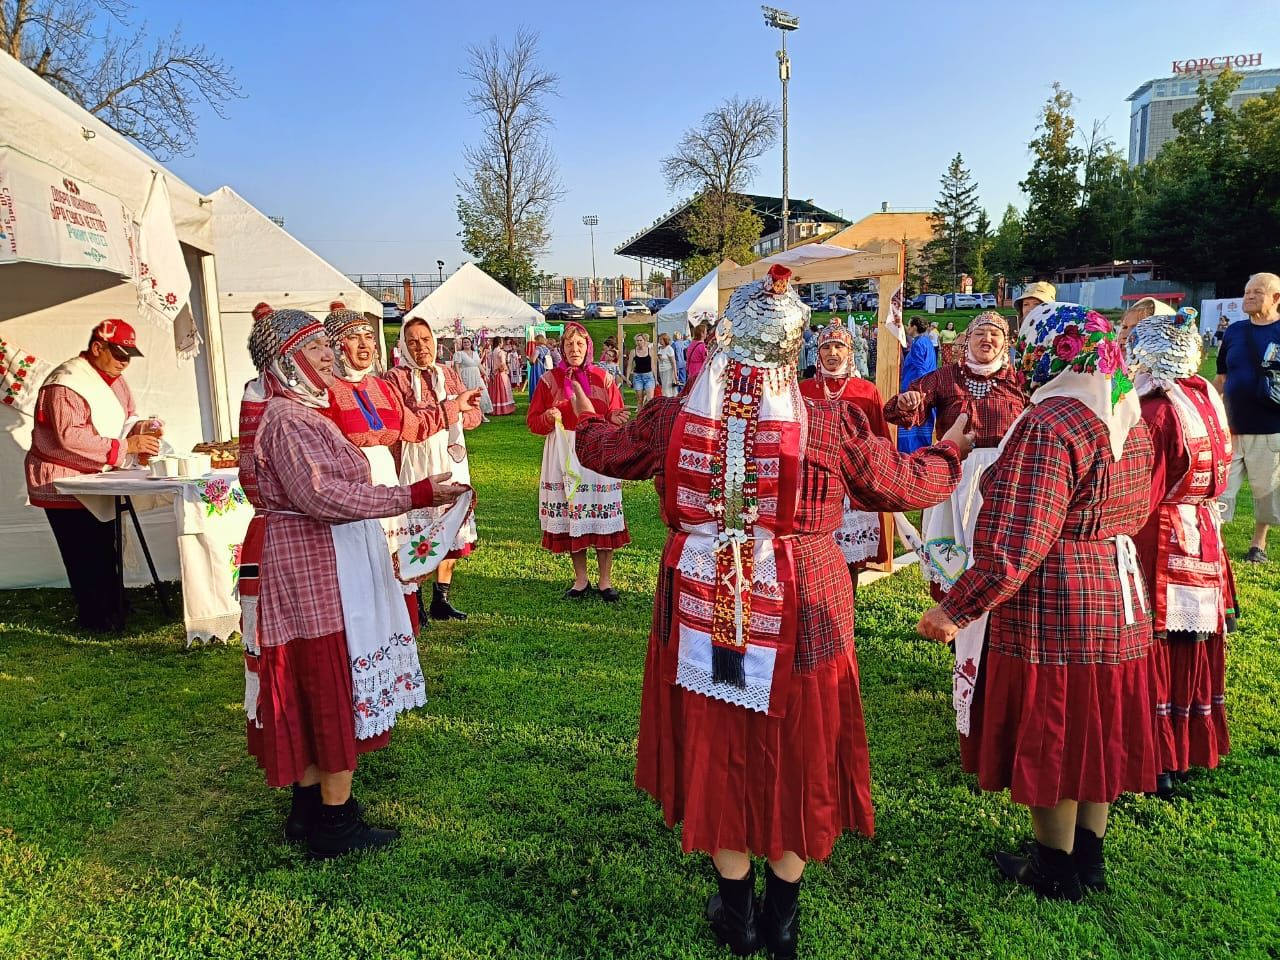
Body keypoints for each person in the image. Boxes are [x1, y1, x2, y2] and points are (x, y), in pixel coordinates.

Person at [572, 265, 969, 958]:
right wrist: (951, 451)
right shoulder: (828, 424)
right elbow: (901, 483)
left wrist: (589, 414)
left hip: (700, 601)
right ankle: (779, 918)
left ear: (726, 341)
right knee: (799, 748)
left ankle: (739, 913)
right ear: (797, 350)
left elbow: (606, 449)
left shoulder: (674, 415)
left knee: (717, 738)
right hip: (805, 601)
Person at [918, 302, 1158, 902]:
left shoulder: (1051, 422)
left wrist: (957, 608)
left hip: (1057, 596)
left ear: (1048, 352)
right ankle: (1088, 856)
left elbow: (1019, 539)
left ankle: (1055, 865)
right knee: (1094, 725)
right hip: (1116, 588)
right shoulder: (1126, 412)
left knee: (1055, 729)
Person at [246, 308, 465, 859]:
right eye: (314, 348)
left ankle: (310, 808)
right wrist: (411, 497)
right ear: (287, 362)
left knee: (312, 679)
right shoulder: (289, 419)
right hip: (314, 563)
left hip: (318, 559)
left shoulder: (298, 413)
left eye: (328, 345)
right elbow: (322, 495)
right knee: (326, 679)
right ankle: (334, 821)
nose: (328, 355)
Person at [1129, 307, 1235, 798]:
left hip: (1158, 533)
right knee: (1188, 646)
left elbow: (1140, 489)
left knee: (1156, 644)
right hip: (1202, 528)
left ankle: (1156, 756)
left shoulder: (1154, 410)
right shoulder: (1205, 396)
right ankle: (1186, 747)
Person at [25, 319, 162, 633]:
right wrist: (126, 446)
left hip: (98, 477)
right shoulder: (66, 383)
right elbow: (68, 437)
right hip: (63, 481)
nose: (124, 361)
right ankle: (95, 616)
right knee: (82, 550)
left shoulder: (116, 379)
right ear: (98, 347)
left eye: (128, 355)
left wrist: (143, 430)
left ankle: (113, 605)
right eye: (118, 353)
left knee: (105, 545)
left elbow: (127, 417)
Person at [886, 312, 1027, 597]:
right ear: (968, 340)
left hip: (1003, 477)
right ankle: (954, 619)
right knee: (953, 555)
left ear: (1005, 342)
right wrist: (907, 402)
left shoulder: (1018, 381)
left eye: (994, 334)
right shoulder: (947, 376)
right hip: (954, 472)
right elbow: (903, 409)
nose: (986, 339)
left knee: (997, 552)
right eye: (979, 333)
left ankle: (991, 621)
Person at [318, 303, 428, 631]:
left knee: (393, 560)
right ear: (336, 345)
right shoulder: (324, 393)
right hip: (352, 491)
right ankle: (366, 635)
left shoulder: (382, 387)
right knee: (359, 566)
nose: (366, 345)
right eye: (354, 338)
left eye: (369, 336)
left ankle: (399, 631)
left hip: (388, 484)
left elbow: (413, 427)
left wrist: (453, 408)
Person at [384, 319, 483, 622]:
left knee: (449, 525)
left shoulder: (448, 373)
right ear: (403, 345)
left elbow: (475, 414)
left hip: (449, 458)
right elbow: (404, 422)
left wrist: (460, 417)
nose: (421, 347)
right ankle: (417, 603)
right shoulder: (395, 378)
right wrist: (451, 409)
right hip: (415, 462)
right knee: (416, 532)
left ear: (435, 341)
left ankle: (441, 596)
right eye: (413, 341)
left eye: (425, 339)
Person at [527, 322, 630, 600]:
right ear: (562, 348)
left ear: (588, 348)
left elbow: (614, 412)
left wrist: (613, 419)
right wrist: (547, 418)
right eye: (570, 344)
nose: (575, 349)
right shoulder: (549, 380)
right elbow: (533, 422)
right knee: (573, 515)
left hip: (597, 448)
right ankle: (581, 579)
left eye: (580, 344)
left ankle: (606, 580)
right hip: (563, 449)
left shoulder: (603, 378)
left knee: (600, 512)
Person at [799, 320, 894, 585]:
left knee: (850, 561)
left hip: (853, 484)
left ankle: (846, 613)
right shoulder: (803, 390)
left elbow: (879, 437)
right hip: (814, 483)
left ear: (849, 351)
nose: (832, 353)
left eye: (839, 346)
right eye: (826, 347)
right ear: (817, 352)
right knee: (814, 553)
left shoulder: (866, 391)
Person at [1216, 271, 1280, 563]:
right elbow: (1220, 375)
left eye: (1257, 292)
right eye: (1246, 291)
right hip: (1229, 427)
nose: (1249, 296)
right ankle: (1214, 540)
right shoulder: (1234, 331)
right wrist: (1208, 404)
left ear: (1276, 298)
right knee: (1220, 488)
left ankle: (1259, 543)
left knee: (1266, 490)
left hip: (1269, 428)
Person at [896, 317, 938, 452]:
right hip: (925, 388)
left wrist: (920, 389)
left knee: (911, 432)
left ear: (914, 327)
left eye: (909, 325)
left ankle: (910, 457)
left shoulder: (918, 344)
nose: (908, 328)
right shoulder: (928, 342)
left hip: (915, 391)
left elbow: (921, 369)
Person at [452, 337, 493, 422]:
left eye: (468, 342)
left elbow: (479, 365)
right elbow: (457, 366)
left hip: (476, 376)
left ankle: (482, 415)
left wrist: (486, 374)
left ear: (471, 343)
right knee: (468, 395)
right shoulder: (459, 354)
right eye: (464, 342)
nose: (466, 344)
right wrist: (460, 378)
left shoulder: (475, 353)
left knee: (481, 393)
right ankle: (468, 417)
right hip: (466, 376)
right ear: (462, 344)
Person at [485, 338, 516, 416]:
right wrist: (505, 370)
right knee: (502, 390)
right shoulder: (501, 352)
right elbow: (502, 363)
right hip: (500, 373)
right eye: (502, 342)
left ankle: (494, 408)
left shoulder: (490, 353)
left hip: (493, 374)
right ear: (500, 343)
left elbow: (489, 364)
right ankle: (503, 409)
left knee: (495, 391)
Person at [627, 333, 657, 408]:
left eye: (640, 340)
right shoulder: (633, 352)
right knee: (640, 399)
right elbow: (629, 365)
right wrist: (627, 378)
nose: (639, 342)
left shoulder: (650, 351)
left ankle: (650, 417)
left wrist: (656, 378)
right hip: (637, 377)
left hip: (649, 376)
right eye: (637, 341)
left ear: (644, 341)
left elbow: (653, 365)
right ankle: (640, 417)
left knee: (650, 399)